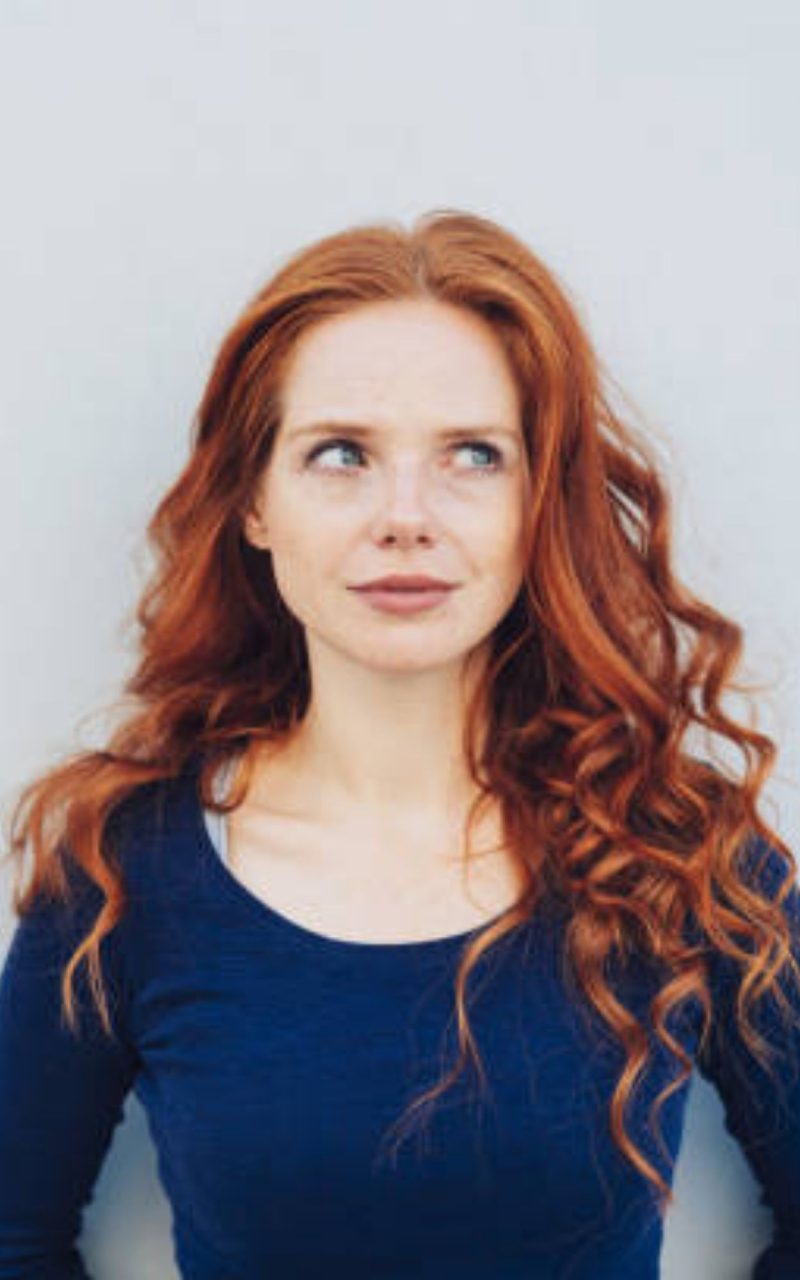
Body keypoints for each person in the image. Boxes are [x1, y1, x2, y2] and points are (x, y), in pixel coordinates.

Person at [0, 209, 798, 1279]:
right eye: (341, 454)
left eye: (473, 455)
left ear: (537, 503)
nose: (406, 516)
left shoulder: (679, 849)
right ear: (253, 502)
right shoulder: (117, 869)